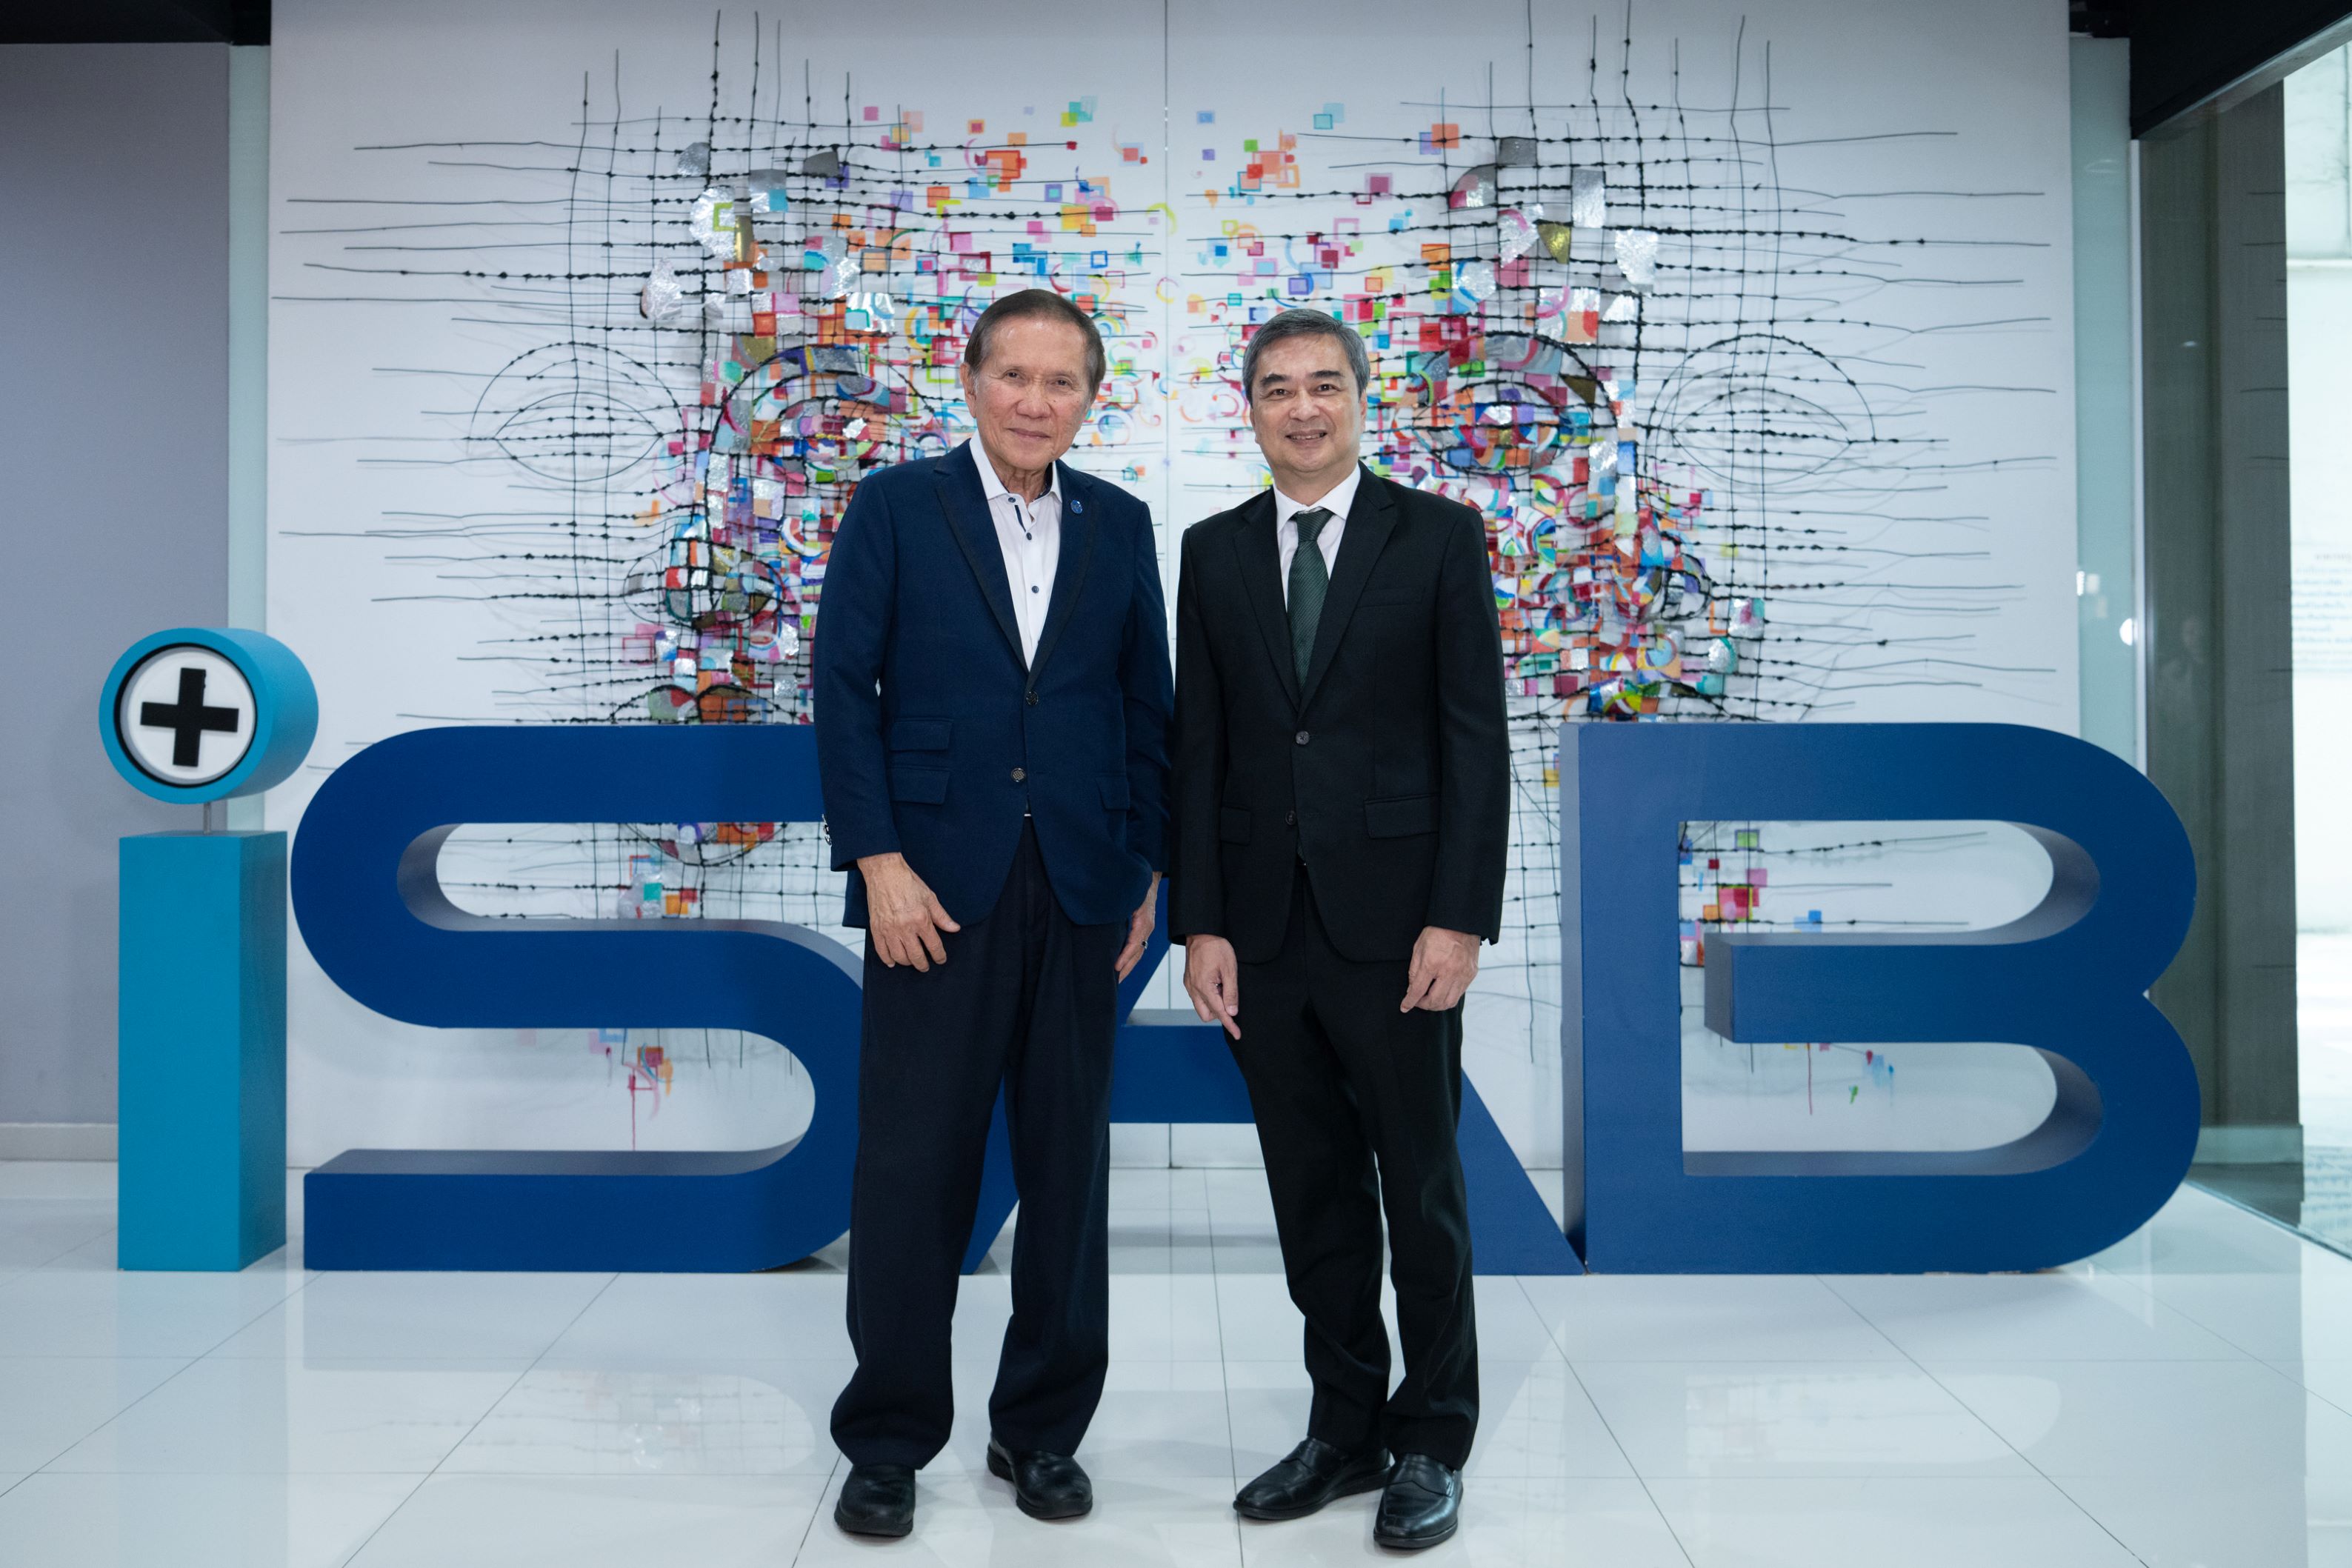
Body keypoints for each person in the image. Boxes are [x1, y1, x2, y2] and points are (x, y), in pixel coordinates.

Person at [813, 288, 1173, 1539]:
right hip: (929, 886)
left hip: (1081, 884)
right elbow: (842, 688)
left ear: (1090, 398)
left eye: (1062, 381)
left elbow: (1147, 708)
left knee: (1068, 1168)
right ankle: (888, 1439)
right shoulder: (894, 506)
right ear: (969, 382)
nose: (1035, 400)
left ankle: (1042, 1429)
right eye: (1013, 375)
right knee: (912, 1167)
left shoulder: (1121, 522)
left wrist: (1147, 870)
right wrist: (877, 859)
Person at [1169, 307, 1508, 1550]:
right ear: (1250, 409)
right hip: (1263, 932)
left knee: (1420, 1189)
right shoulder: (1211, 551)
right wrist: (1202, 922)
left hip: (1400, 928)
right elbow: (1199, 747)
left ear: (1363, 399)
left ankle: (1434, 1438)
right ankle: (1345, 1426)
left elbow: (1475, 739)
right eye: (1277, 388)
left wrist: (1459, 917)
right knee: (1311, 1192)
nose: (1302, 407)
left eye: (1324, 384)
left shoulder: (1440, 535)